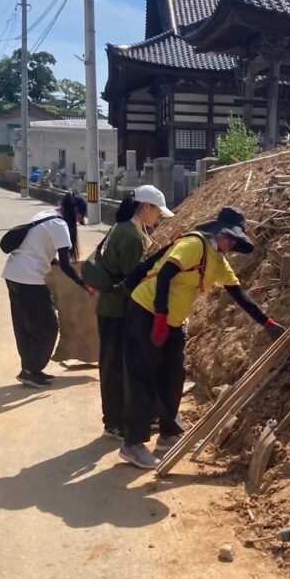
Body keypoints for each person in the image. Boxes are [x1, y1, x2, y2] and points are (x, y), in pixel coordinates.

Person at [120, 207, 285, 470]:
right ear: (218, 232)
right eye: (230, 238)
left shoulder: (217, 262)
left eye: (236, 241)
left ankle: (168, 434)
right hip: (146, 312)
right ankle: (132, 445)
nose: (231, 244)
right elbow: (165, 275)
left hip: (172, 322)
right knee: (143, 377)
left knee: (173, 375)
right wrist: (161, 316)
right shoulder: (193, 245)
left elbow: (239, 294)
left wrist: (266, 322)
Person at [96, 185, 173, 438]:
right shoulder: (129, 236)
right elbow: (134, 280)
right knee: (114, 367)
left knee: (121, 365)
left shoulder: (128, 229)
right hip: (116, 310)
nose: (159, 218)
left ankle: (129, 417)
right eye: (157, 212)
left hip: (115, 307)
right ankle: (114, 422)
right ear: (146, 207)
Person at [3, 193, 94, 388]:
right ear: (76, 212)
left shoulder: (44, 215)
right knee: (49, 327)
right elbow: (66, 266)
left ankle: (31, 369)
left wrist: (51, 262)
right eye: (79, 219)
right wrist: (83, 284)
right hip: (29, 279)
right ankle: (30, 370)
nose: (77, 223)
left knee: (25, 325)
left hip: (13, 273)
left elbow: (40, 249)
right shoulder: (60, 225)